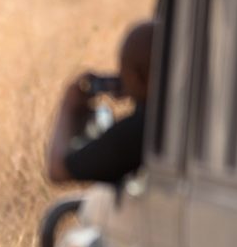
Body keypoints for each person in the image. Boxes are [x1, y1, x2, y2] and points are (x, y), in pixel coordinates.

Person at [46, 21, 155, 185]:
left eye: (124, 74)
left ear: (136, 78)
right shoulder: (175, 118)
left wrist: (68, 107)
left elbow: (58, 170)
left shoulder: (137, 131)